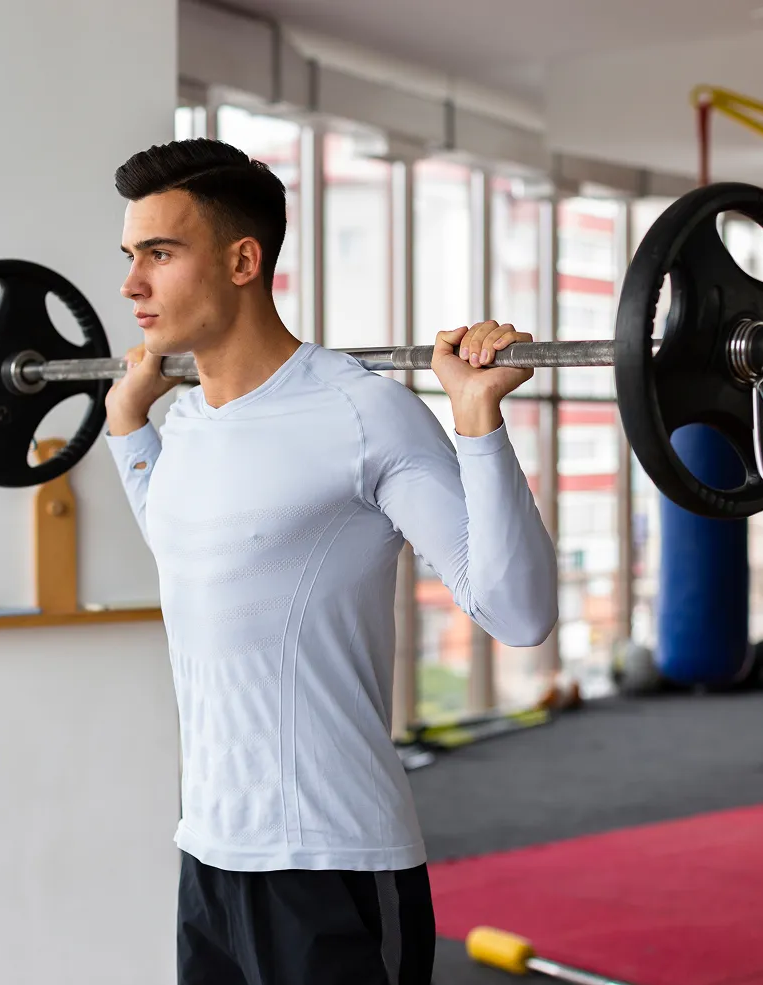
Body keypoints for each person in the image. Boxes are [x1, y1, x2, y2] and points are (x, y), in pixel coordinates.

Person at [103, 138, 558, 985]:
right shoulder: (185, 427)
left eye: (160, 254)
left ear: (244, 260)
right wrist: (126, 426)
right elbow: (182, 547)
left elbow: (518, 611)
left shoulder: (363, 412)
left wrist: (476, 423)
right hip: (208, 855)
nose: (132, 284)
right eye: (131, 257)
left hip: (335, 859)